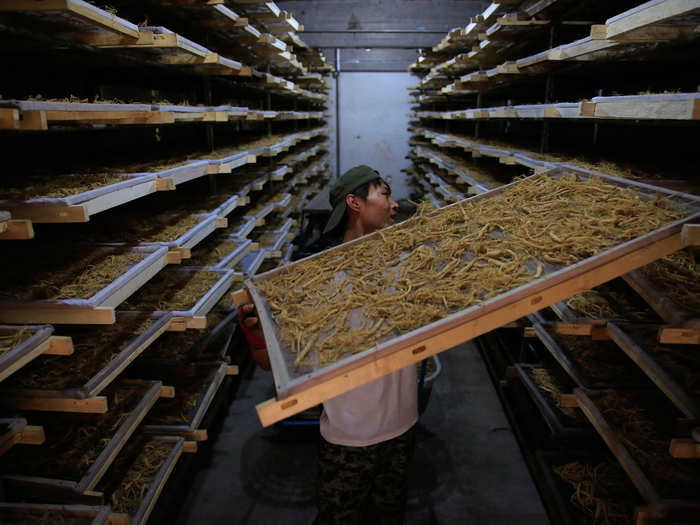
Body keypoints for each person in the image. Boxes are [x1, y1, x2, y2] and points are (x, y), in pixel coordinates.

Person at [239, 165, 418, 525]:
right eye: (384, 194)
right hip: (349, 436)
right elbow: (267, 361)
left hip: (403, 426)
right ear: (355, 202)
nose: (393, 203)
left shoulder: (403, 262)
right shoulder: (319, 279)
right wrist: (254, 330)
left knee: (390, 515)